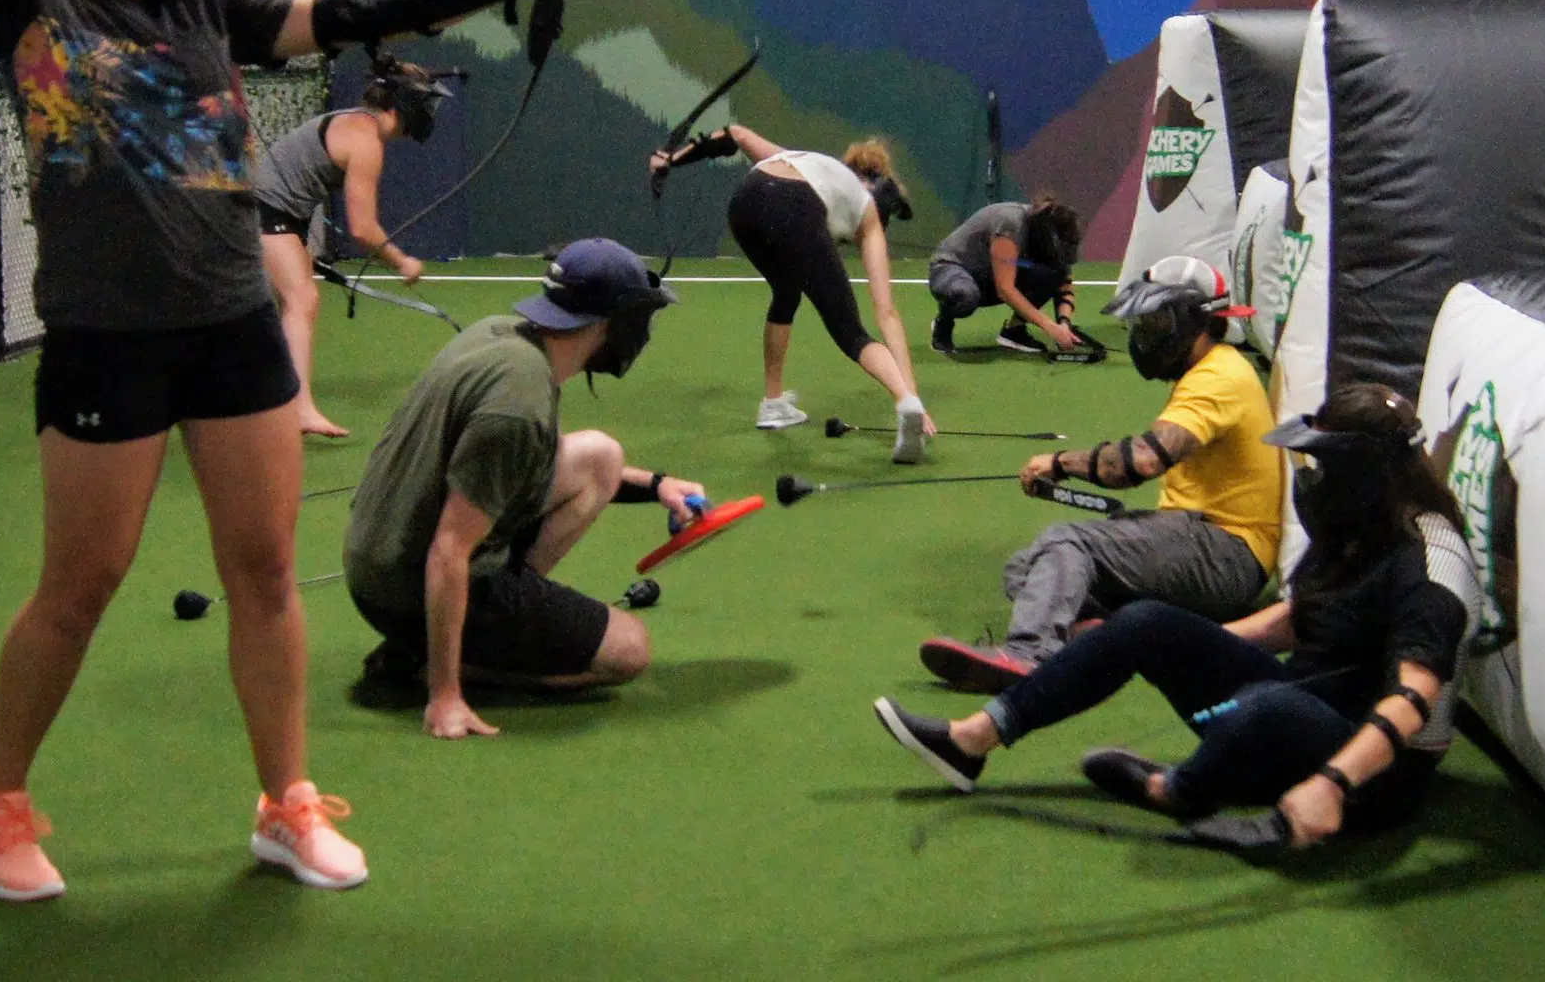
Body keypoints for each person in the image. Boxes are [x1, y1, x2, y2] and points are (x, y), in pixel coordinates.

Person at [0, 0, 586, 900]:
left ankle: (286, 802)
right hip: (106, 337)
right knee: (81, 584)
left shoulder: (205, 2)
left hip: (229, 324)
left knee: (261, 573)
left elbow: (355, 11)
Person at [875, 383, 1483, 849]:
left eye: (1322, 463)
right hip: (1300, 712)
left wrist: (1333, 785)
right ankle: (972, 739)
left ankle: (1175, 790)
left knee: (1264, 709)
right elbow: (1297, 622)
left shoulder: (1430, 562)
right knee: (1146, 622)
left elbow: (1413, 699)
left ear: (1364, 472)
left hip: (1378, 772)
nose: (1311, 477)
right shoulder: (1360, 526)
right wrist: (1184, 650)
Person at [343, 238, 697, 739]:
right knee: (628, 651)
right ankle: (426, 660)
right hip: (406, 585)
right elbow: (450, 548)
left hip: (382, 547)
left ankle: (488, 623)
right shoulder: (518, 404)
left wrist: (657, 486)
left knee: (600, 457)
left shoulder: (504, 337)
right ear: (604, 322)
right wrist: (444, 695)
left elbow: (531, 466)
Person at [912, 256, 1282, 693]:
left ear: (1195, 322)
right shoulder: (1209, 370)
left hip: (1227, 553)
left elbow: (1142, 461)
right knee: (1027, 568)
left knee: (1067, 544)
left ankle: (1028, 656)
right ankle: (1111, 637)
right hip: (1203, 543)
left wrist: (1060, 462)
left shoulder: (1218, 377)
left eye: (1156, 320)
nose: (1145, 334)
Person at [651, 124, 935, 458]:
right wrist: (912, 393)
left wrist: (673, 158)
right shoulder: (868, 214)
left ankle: (773, 404)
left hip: (745, 203)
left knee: (787, 289)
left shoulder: (808, 162)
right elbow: (886, 313)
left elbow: (736, 134)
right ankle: (906, 404)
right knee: (851, 333)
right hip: (795, 207)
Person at [251, 54, 453, 436]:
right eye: (424, 102)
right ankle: (299, 410)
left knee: (285, 304)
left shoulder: (357, 123)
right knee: (301, 300)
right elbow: (362, 228)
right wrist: (401, 261)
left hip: (275, 213)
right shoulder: (366, 141)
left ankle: (269, 397)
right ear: (404, 106)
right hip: (262, 212)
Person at [926, 196, 1084, 356]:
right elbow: (1005, 289)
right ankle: (943, 324)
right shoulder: (1011, 225)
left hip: (990, 275)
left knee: (1053, 273)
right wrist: (1050, 328)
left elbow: (1064, 282)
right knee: (964, 295)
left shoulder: (1049, 235)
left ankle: (1014, 332)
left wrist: (1064, 323)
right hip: (951, 269)